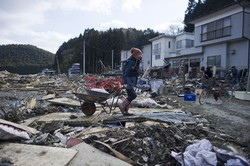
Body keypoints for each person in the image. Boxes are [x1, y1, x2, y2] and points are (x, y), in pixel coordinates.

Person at [121, 47, 142, 116]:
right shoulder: (131, 62)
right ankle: (123, 107)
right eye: (139, 54)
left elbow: (135, 71)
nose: (140, 56)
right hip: (128, 81)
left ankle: (125, 111)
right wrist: (125, 82)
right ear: (135, 55)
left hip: (131, 81)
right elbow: (126, 72)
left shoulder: (135, 61)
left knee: (131, 95)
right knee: (133, 95)